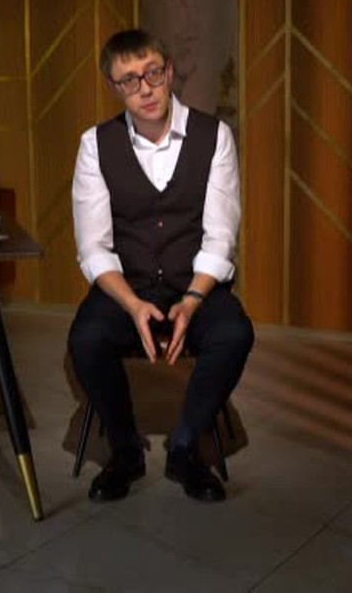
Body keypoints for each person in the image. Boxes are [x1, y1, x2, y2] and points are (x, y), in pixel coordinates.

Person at [67, 29, 254, 503]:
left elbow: (220, 237)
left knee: (234, 333)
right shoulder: (95, 144)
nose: (145, 89)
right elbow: (93, 247)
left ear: (169, 72)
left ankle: (186, 449)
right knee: (87, 339)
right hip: (126, 287)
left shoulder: (214, 137)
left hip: (194, 285)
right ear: (114, 87)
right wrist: (132, 305)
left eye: (152, 73)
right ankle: (125, 449)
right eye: (129, 80)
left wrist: (191, 302)